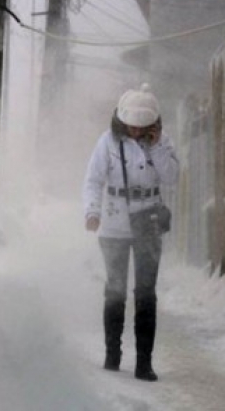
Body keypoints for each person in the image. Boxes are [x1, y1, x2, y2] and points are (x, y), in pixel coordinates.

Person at [82, 83, 179, 382]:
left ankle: (144, 363)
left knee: (146, 292)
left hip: (148, 220)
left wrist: (157, 147)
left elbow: (172, 177)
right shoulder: (107, 142)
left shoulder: (162, 143)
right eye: (132, 126)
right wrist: (92, 211)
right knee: (115, 289)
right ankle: (112, 355)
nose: (136, 132)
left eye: (142, 127)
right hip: (114, 223)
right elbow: (93, 180)